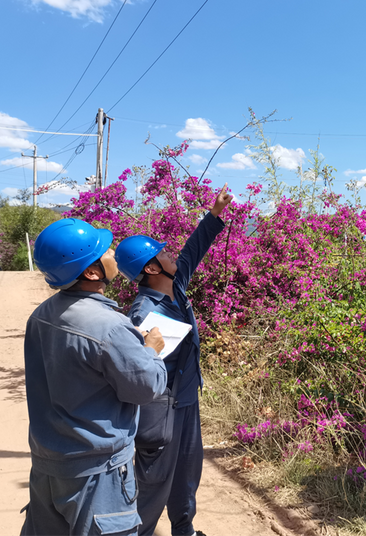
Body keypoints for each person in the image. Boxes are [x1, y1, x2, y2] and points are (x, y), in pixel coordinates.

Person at [21, 218, 168, 536]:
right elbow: (146, 389)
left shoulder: (41, 315)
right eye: (104, 250)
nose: (113, 252)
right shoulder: (110, 326)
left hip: (49, 467)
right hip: (97, 474)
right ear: (91, 272)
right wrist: (151, 350)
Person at [115, 184, 233, 536]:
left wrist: (214, 213)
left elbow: (194, 250)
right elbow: (138, 368)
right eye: (163, 254)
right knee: (154, 481)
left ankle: (184, 530)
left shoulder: (175, 286)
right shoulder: (144, 311)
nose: (172, 256)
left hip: (185, 398)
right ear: (151, 268)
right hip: (159, 408)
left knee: (186, 472)